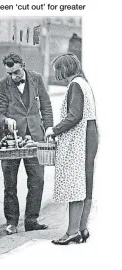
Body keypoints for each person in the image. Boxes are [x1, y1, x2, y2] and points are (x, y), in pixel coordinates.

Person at [0, 52, 54, 235]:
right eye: (10, 74)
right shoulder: (2, 85)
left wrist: (49, 129)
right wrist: (5, 121)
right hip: (12, 142)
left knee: (37, 180)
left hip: (35, 138)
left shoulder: (36, 79)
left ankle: (31, 220)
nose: (13, 77)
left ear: (23, 65)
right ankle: (11, 222)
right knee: (9, 183)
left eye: (16, 73)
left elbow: (46, 106)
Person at [45, 53, 98, 245]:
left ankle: (72, 231)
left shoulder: (75, 84)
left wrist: (54, 129)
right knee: (84, 184)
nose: (57, 74)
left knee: (75, 184)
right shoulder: (83, 82)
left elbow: (74, 115)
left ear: (64, 69)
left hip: (81, 139)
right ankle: (82, 228)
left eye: (58, 69)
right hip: (89, 135)